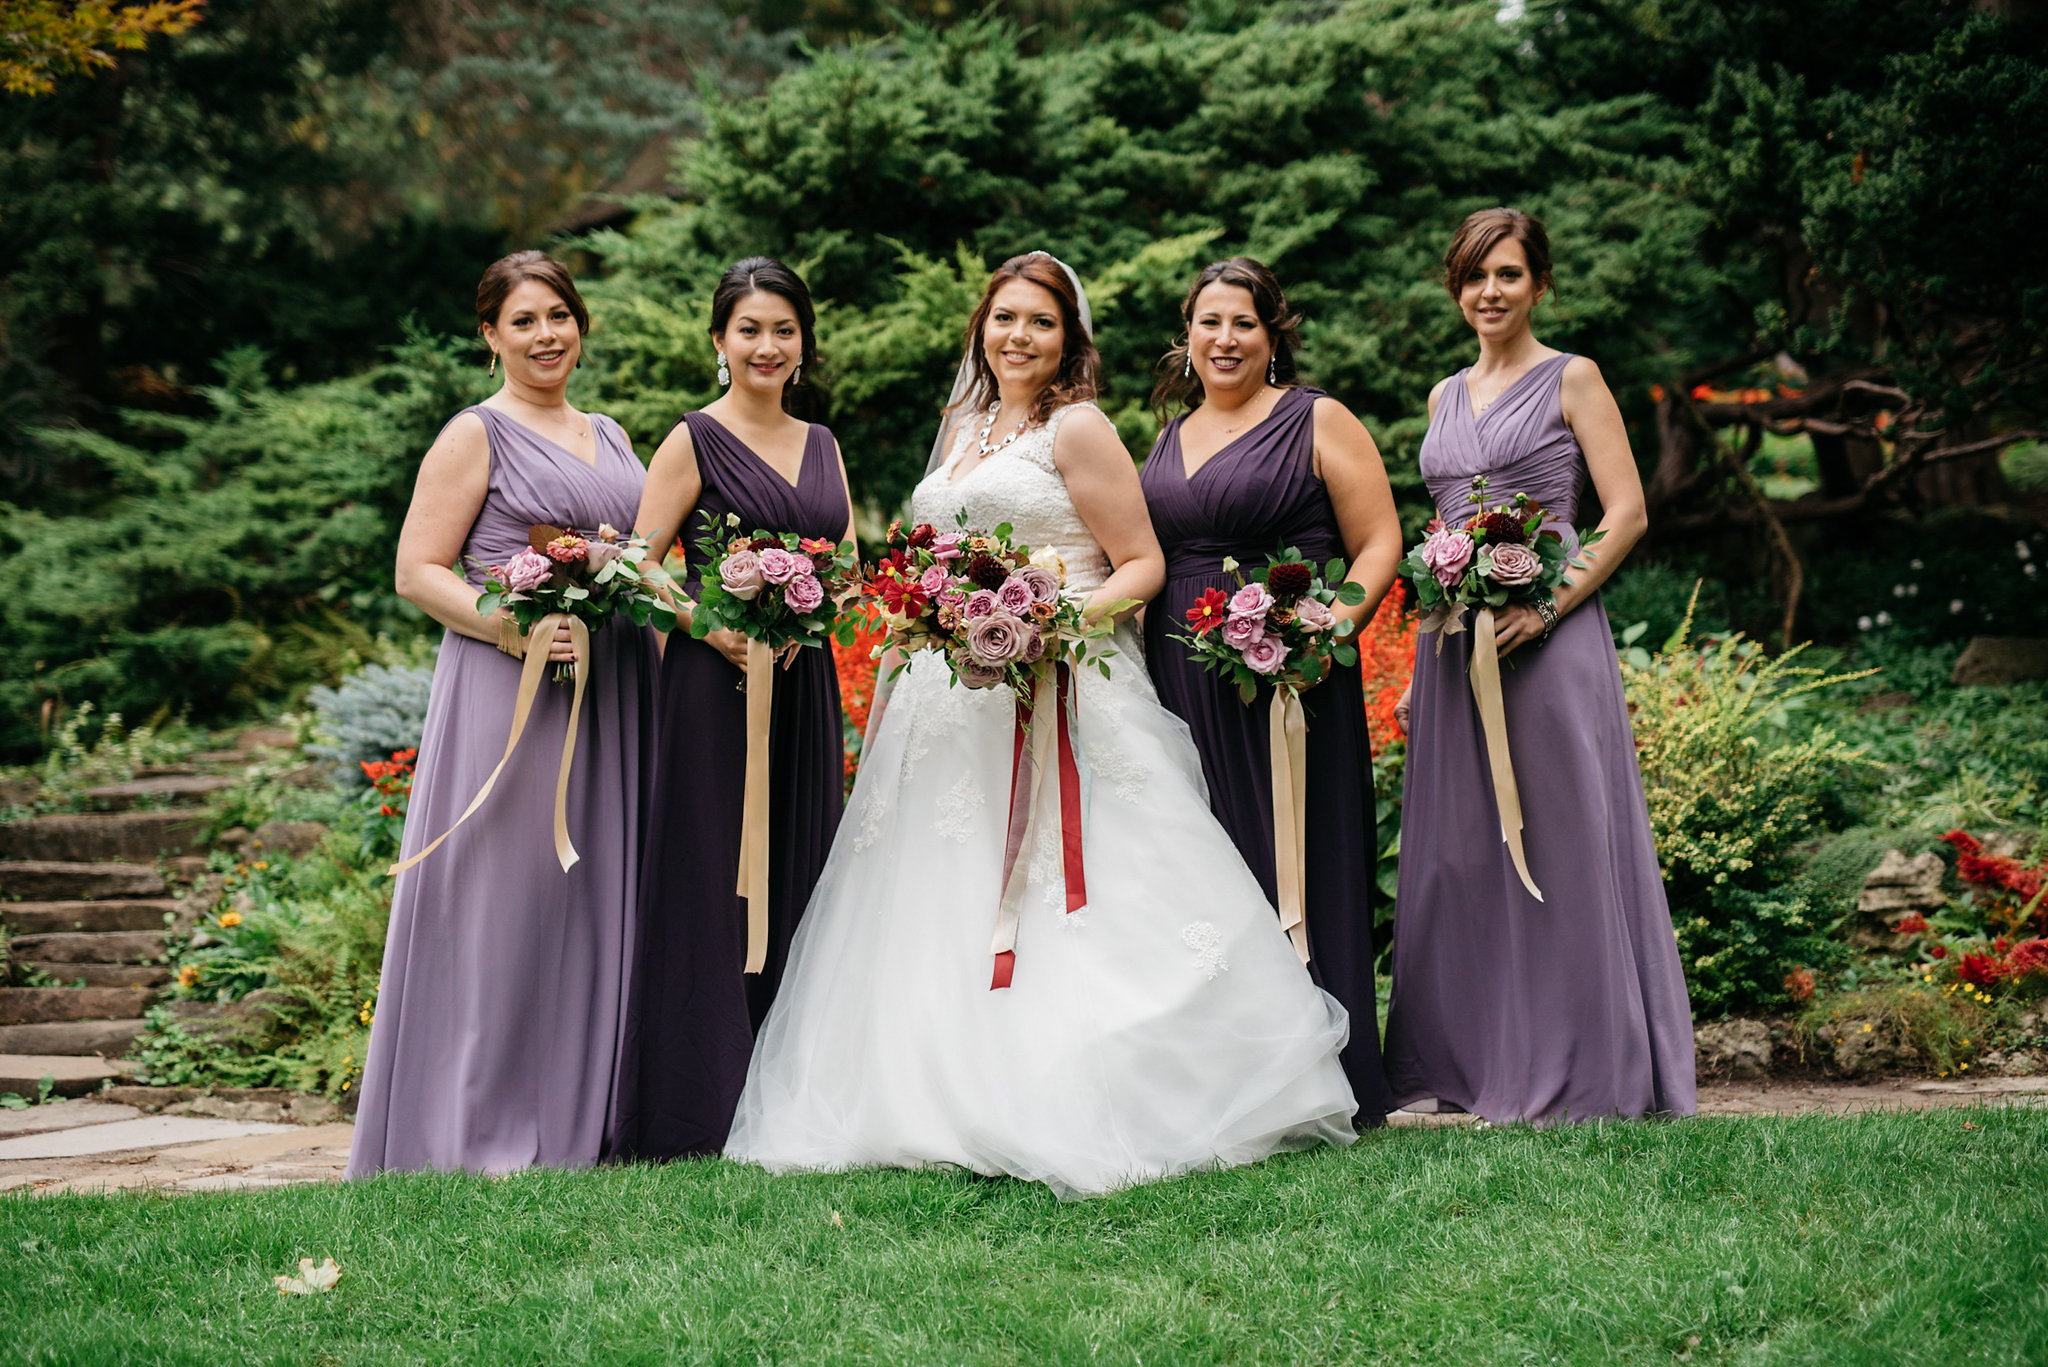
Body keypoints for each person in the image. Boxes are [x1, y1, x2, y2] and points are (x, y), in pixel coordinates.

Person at [725, 253, 1358, 1199]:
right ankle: (930, 1086)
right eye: (1005, 317)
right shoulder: (962, 426)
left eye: (1042, 322)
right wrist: (920, 622)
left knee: (1077, 886)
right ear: (982, 324)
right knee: (936, 887)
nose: (1018, 336)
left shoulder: (1080, 427)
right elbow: (934, 552)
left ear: (1069, 340)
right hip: (947, 696)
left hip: (1062, 682)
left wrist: (1055, 625)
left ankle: (1103, 1079)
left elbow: (1138, 563)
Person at [1382, 208, 1697, 1123]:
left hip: (1550, 642)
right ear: (1456, 285)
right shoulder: (1444, 396)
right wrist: (1415, 664)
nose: (1491, 292)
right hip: (1453, 647)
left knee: (1558, 841)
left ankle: (1586, 1068)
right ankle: (1478, 1063)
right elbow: (1440, 531)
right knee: (1461, 853)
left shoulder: (1575, 377)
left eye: (1510, 275)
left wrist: (1547, 603)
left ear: (1539, 284)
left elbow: (1626, 511)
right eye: (1476, 275)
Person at [347, 250, 657, 1176]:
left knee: (594, 898)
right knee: (506, 902)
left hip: (612, 693)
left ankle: (585, 1116)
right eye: (523, 321)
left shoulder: (610, 432)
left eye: (558, 315)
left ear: (581, 323)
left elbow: (636, 553)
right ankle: (475, 1127)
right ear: (490, 336)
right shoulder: (472, 434)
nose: (546, 335)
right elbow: (417, 571)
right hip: (509, 693)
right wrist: (512, 632)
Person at [1139, 257, 1404, 1127]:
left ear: (1273, 333)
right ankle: (1228, 1077)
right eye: (1209, 323)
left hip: (1292, 673)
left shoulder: (1316, 418)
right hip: (1181, 669)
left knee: (1298, 847)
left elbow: (1377, 542)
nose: (1224, 339)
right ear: (1187, 335)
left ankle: (1326, 1074)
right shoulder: (1167, 437)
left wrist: (1332, 625)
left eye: (1242, 323)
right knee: (1203, 862)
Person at [606, 258, 855, 1160]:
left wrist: (823, 608)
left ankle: (793, 1098)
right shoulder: (692, 440)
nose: (767, 346)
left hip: (805, 684)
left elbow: (850, 567)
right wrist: (707, 626)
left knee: (802, 868)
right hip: (715, 688)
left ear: (803, 343)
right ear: (720, 341)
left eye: (784, 330)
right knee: (712, 878)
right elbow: (639, 559)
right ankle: (694, 1104)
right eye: (749, 329)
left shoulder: (824, 444)